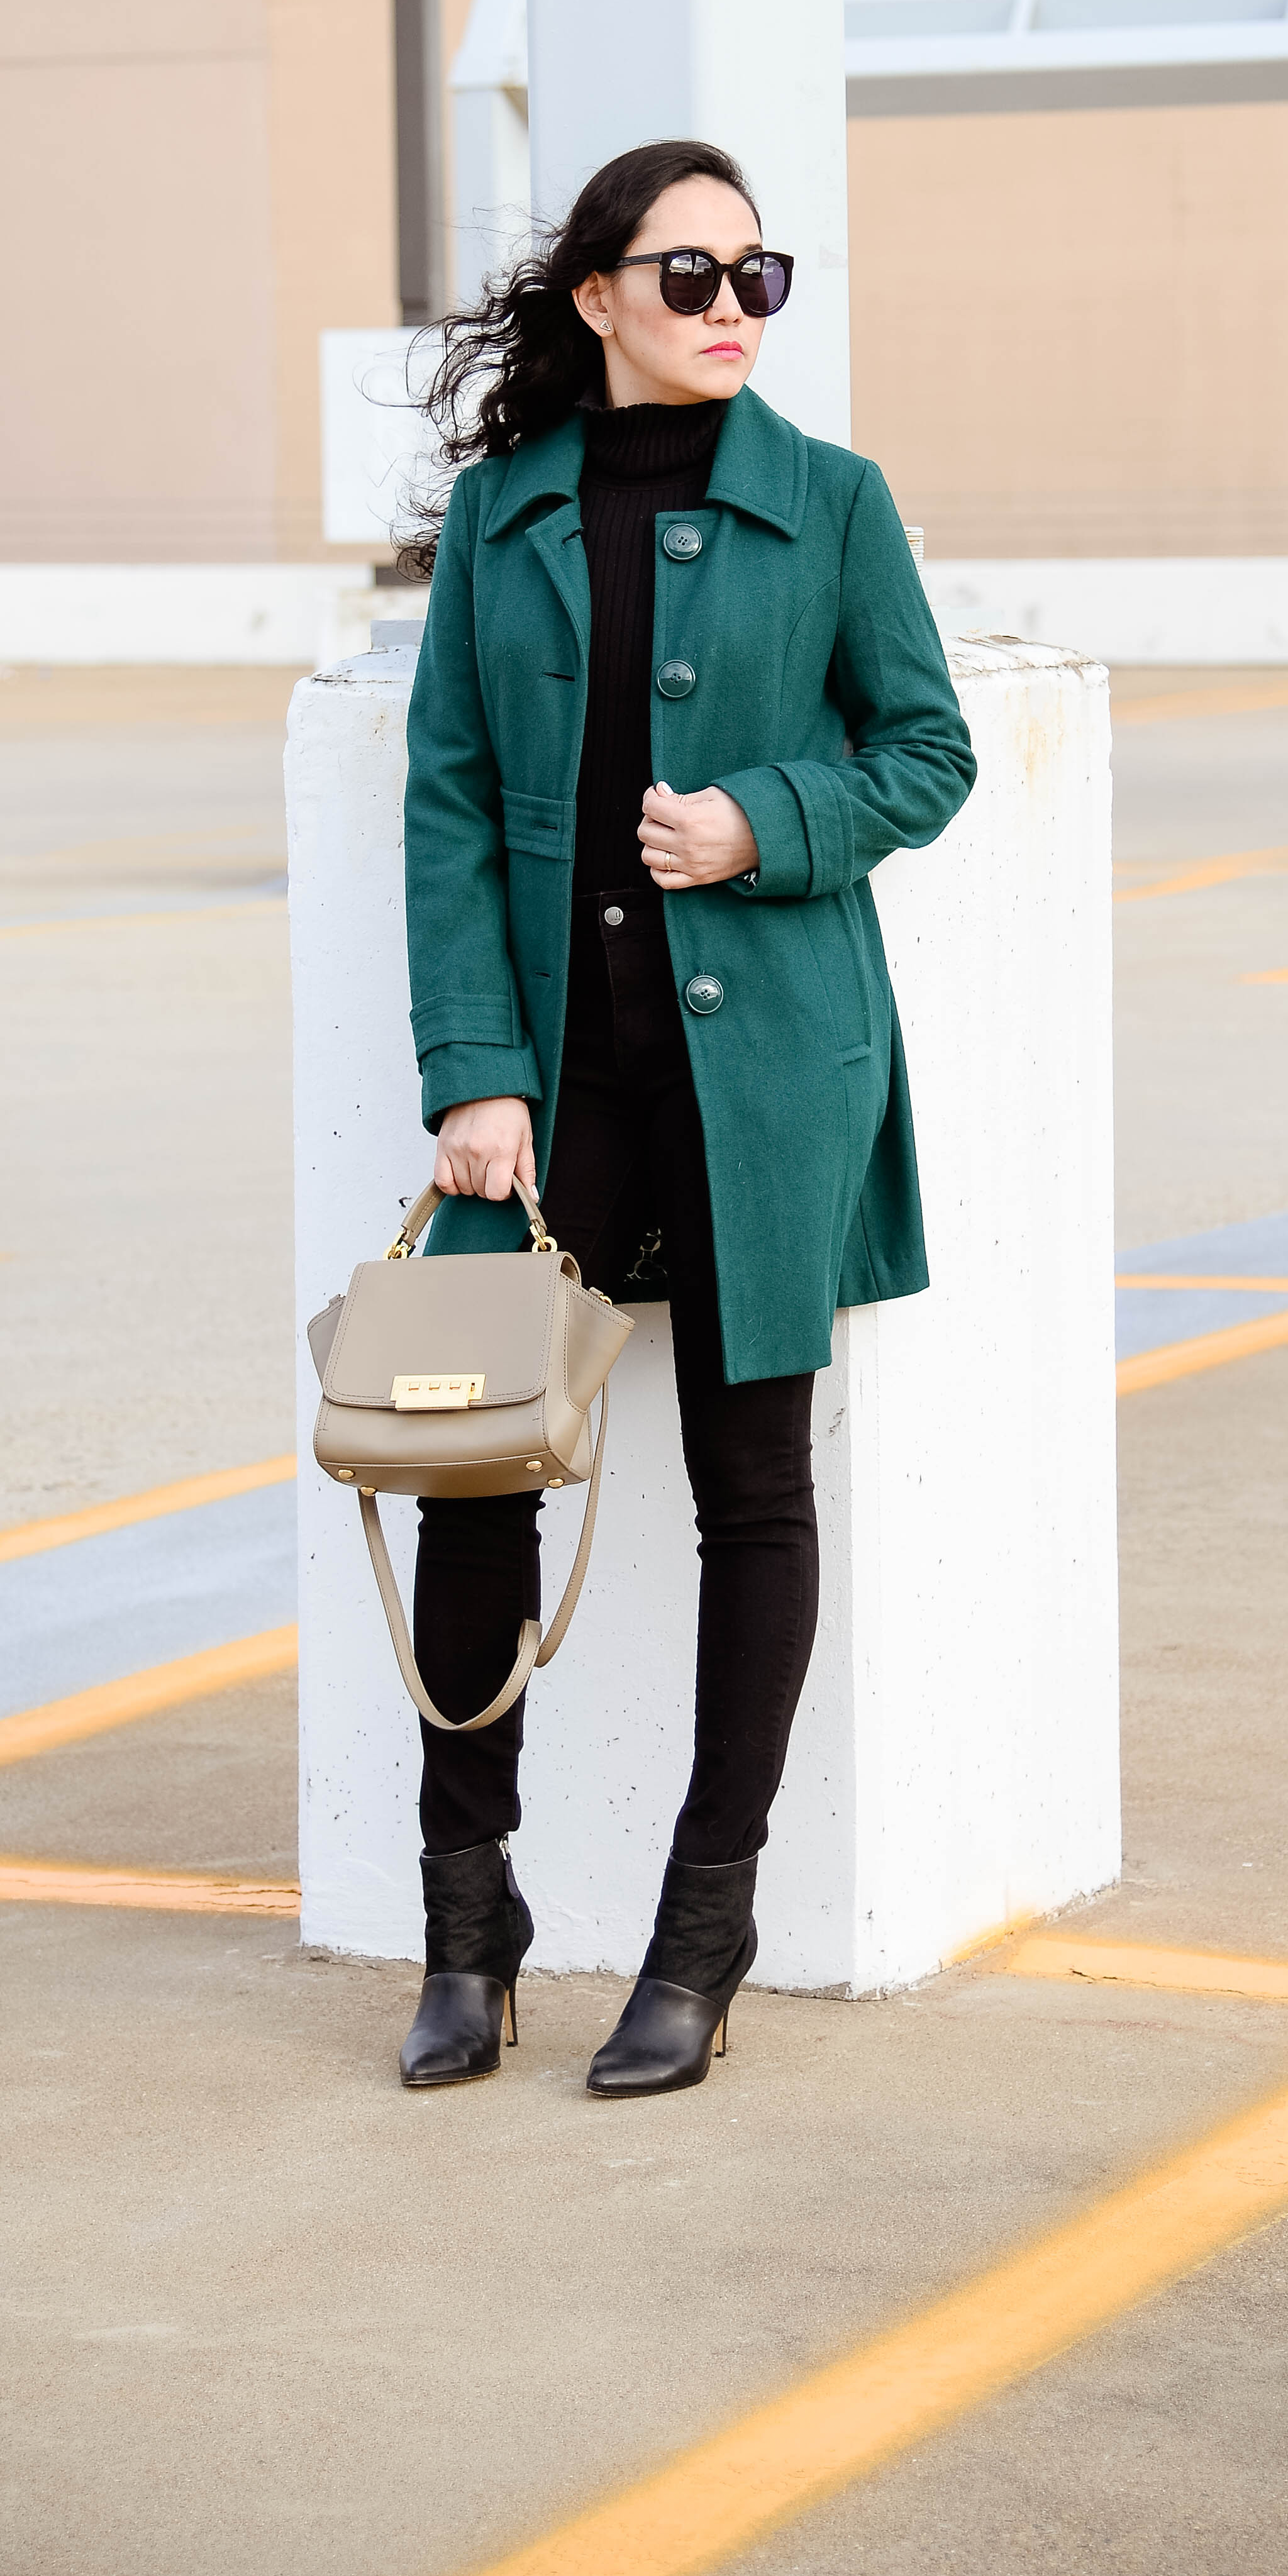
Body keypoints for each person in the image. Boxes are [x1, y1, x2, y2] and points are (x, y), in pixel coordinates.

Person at [394, 136, 976, 2097]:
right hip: (549, 1094)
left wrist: (766, 823)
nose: (732, 309)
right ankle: (465, 1931)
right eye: (691, 275)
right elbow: (453, 798)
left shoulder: (831, 502)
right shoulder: (506, 511)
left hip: (764, 1079)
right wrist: (471, 1066)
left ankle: (699, 1939)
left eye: (759, 276)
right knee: (471, 1476)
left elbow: (927, 750)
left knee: (755, 1492)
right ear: (599, 299)